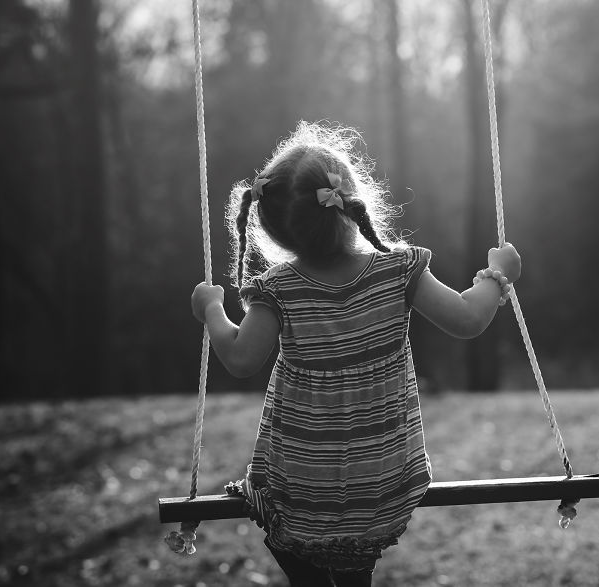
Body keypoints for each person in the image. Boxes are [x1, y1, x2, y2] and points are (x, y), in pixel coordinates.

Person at [190, 121, 521, 586]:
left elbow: (241, 359)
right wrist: (497, 276)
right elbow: (467, 320)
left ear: (277, 229)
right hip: (380, 484)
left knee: (300, 554)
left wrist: (212, 311)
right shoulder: (397, 271)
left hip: (301, 487)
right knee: (351, 569)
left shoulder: (279, 291)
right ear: (350, 203)